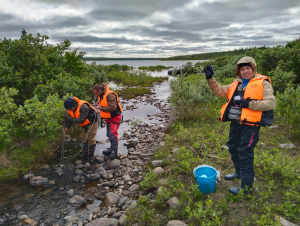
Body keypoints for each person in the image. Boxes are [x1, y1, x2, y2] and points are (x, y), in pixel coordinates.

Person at [205, 56, 276, 195]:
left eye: (248, 68)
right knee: (233, 147)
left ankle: (246, 189)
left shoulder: (263, 83)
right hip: (236, 123)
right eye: (242, 69)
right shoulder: (236, 84)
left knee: (245, 153)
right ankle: (238, 173)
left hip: (251, 125)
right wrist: (210, 79)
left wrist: (248, 103)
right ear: (239, 71)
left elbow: (271, 103)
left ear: (253, 69)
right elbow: (219, 90)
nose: (245, 71)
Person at [92, 83, 123, 159]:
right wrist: (98, 105)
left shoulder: (110, 95)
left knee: (113, 134)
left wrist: (101, 108)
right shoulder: (101, 94)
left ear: (100, 90)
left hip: (115, 117)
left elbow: (113, 108)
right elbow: (105, 103)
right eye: (95, 94)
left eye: (96, 93)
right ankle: (111, 148)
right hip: (108, 117)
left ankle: (114, 151)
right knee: (109, 134)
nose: (96, 95)